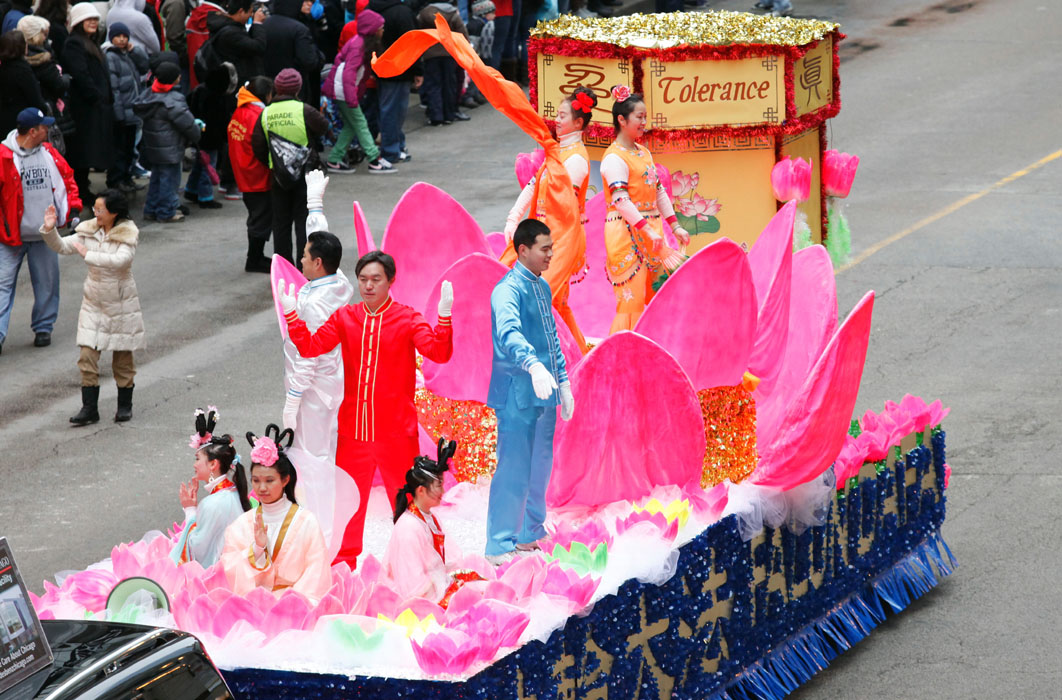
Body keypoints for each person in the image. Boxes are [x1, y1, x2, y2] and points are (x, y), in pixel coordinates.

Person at [276, 250, 455, 568]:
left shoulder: (407, 318)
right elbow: (311, 347)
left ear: (390, 281)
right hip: (352, 432)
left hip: (396, 433)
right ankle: (344, 564)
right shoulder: (346, 317)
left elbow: (438, 353)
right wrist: (292, 316)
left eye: (376, 279)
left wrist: (443, 318)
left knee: (408, 502)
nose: (368, 286)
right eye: (363, 279)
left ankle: (417, 563)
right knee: (348, 502)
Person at [485, 219, 574, 565]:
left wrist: (563, 381)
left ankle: (529, 531)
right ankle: (499, 543)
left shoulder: (541, 287)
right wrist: (532, 365)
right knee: (514, 467)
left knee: (540, 465)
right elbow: (509, 334)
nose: (551, 254)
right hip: (517, 391)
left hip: (544, 389)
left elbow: (552, 337)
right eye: (544, 249)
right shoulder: (506, 291)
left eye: (552, 248)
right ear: (523, 250)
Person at [503, 85, 595, 353]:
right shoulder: (557, 154)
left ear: (578, 123)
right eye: (557, 114)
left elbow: (563, 211)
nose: (557, 120)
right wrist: (513, 218)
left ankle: (548, 358)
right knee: (555, 303)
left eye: (562, 116)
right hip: (542, 237)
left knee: (540, 300)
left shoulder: (576, 160)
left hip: (560, 240)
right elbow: (534, 184)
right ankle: (576, 356)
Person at [40, 189, 145, 424]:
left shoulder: (128, 232)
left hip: (121, 303)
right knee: (87, 357)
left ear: (114, 213)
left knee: (123, 360)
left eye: (100, 210)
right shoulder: (89, 230)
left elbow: (121, 261)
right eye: (95, 208)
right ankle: (89, 409)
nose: (95, 213)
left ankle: (124, 406)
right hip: (93, 303)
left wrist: (89, 255)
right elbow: (63, 246)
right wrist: (50, 229)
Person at [282, 230, 355, 548]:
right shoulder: (340, 285)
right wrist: (314, 209)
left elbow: (308, 355)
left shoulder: (314, 304)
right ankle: (320, 525)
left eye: (305, 255)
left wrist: (293, 398)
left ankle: (320, 533)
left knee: (313, 461)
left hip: (313, 392)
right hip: (330, 385)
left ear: (318, 262)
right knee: (322, 455)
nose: (300, 260)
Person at [601, 86, 690, 333]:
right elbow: (621, 200)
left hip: (652, 234)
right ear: (622, 120)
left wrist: (675, 226)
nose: (644, 122)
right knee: (632, 303)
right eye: (639, 117)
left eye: (645, 117)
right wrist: (648, 230)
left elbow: (658, 192)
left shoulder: (643, 153)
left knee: (658, 298)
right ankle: (624, 353)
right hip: (626, 233)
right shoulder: (614, 158)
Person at [220, 426, 332, 603]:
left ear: (285, 480)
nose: (262, 488)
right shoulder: (242, 524)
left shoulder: (306, 522)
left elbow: (316, 575)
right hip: (253, 605)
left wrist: (289, 604)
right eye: (256, 481)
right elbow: (229, 568)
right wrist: (256, 549)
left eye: (269, 480)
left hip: (295, 607)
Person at [0, 108, 80, 356]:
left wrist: (73, 210)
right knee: (2, 285)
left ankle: (43, 327)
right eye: (44, 126)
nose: (49, 130)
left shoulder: (50, 153)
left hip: (45, 234)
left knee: (47, 283)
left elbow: (67, 180)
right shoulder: (3, 156)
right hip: (9, 237)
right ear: (33, 131)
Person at [383, 439, 483, 606]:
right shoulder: (409, 527)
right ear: (421, 490)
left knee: (480, 586)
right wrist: (446, 588)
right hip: (419, 599)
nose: (443, 491)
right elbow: (412, 587)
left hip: (434, 584)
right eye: (438, 486)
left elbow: (448, 560)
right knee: (472, 599)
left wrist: (452, 579)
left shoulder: (429, 516)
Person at [251, 68, 329, 268]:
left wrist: (273, 163)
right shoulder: (304, 110)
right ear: (298, 88)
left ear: (276, 88)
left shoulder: (265, 113)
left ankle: (284, 269)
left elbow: (257, 145)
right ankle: (305, 268)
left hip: (278, 177)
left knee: (281, 224)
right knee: (304, 222)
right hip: (305, 175)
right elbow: (323, 127)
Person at [171, 407, 252, 567]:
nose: (194, 465)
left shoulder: (213, 503)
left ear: (213, 464)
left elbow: (198, 549)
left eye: (197, 459)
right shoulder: (233, 492)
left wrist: (190, 510)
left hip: (220, 573)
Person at [322, 12, 395, 174]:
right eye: (381, 27)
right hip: (344, 92)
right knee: (360, 123)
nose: (383, 30)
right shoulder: (359, 46)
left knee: (351, 126)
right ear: (373, 30)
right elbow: (349, 73)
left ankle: (334, 159)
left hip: (342, 90)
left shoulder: (359, 43)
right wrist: (352, 98)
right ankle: (374, 159)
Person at [134, 60, 201, 223]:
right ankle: (166, 212)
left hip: (154, 146)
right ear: (175, 79)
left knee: (157, 179)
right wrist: (197, 134)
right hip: (171, 148)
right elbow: (187, 124)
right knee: (169, 181)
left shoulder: (148, 95)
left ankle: (151, 209)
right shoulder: (173, 100)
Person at [61, 3, 114, 202]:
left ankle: (83, 189)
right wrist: (96, 97)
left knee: (89, 151)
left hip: (94, 106)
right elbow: (81, 74)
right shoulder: (75, 43)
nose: (93, 22)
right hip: (85, 108)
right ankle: (81, 190)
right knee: (83, 152)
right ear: (78, 21)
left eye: (95, 19)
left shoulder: (90, 42)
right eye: (88, 19)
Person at [228, 74, 273, 272]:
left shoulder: (241, 110)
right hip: (257, 174)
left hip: (243, 170)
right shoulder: (259, 115)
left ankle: (256, 257)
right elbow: (262, 148)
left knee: (256, 215)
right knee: (260, 218)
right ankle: (254, 259)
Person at [367, 0, 420, 165]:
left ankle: (396, 146)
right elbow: (413, 43)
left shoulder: (371, 9)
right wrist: (418, 70)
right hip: (400, 68)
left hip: (380, 67)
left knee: (388, 109)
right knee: (395, 111)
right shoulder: (402, 12)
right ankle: (392, 150)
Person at [184, 61, 237, 209]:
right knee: (208, 168)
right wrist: (225, 137)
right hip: (211, 139)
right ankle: (205, 197)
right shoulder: (218, 98)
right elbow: (221, 121)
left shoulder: (200, 90)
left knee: (199, 165)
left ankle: (191, 190)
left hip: (198, 136)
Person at [104, 22, 149, 193]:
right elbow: (114, 88)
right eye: (118, 36)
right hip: (122, 111)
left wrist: (135, 50)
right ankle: (116, 179)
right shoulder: (111, 57)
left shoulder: (128, 55)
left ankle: (127, 177)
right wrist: (118, 113)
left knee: (130, 148)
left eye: (125, 36)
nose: (122, 40)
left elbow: (144, 66)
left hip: (132, 110)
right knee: (120, 149)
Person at [417, 1, 469, 127]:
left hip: (430, 55)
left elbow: (418, 33)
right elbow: (462, 33)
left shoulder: (423, 14)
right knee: (449, 84)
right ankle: (449, 115)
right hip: (449, 53)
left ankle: (436, 117)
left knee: (433, 85)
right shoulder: (452, 14)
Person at [263, 0, 323, 104]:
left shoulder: (264, 25)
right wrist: (320, 57)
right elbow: (309, 61)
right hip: (294, 86)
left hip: (268, 85)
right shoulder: (299, 29)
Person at [207, 0, 267, 86]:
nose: (251, 15)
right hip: (236, 82)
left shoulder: (230, 26)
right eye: (250, 12)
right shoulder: (230, 33)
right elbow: (258, 46)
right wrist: (257, 23)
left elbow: (247, 43)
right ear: (241, 11)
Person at [0, 30, 47, 135]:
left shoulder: (3, 67)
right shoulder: (23, 70)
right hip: (22, 122)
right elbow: (35, 98)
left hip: (4, 121)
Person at [18, 17, 67, 114]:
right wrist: (67, 78)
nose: (46, 38)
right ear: (36, 35)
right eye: (44, 34)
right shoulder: (42, 58)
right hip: (46, 105)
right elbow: (59, 84)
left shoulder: (17, 55)